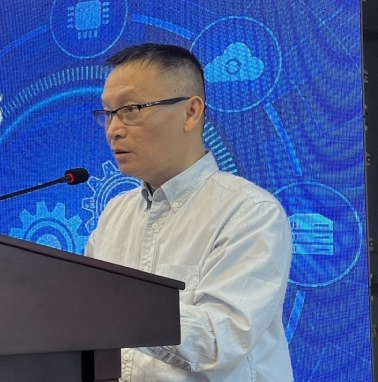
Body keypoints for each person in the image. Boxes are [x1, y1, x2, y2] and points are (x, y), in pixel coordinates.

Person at [85, 43, 293, 381]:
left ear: (191, 112)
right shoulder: (115, 214)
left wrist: (113, 307)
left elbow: (221, 338)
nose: (114, 129)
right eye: (108, 113)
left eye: (131, 109)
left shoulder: (249, 212)